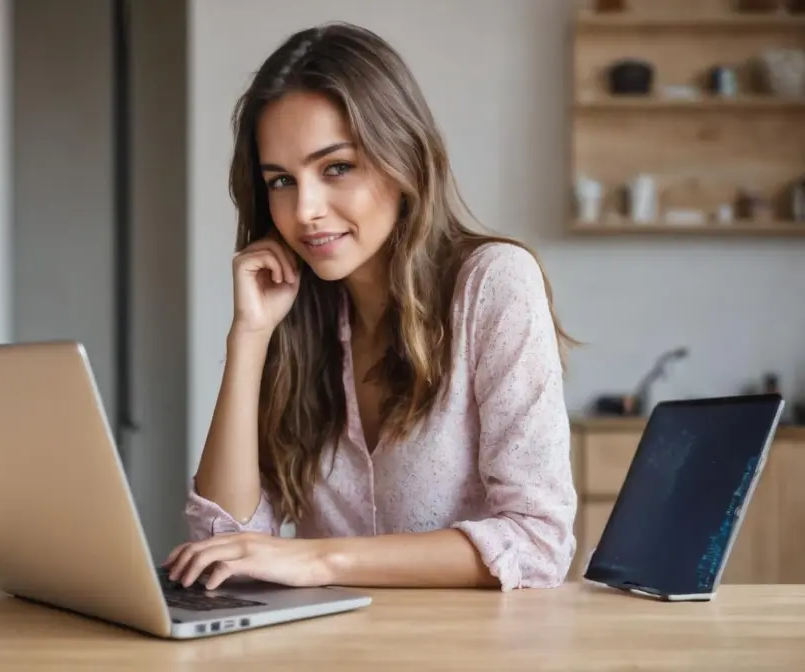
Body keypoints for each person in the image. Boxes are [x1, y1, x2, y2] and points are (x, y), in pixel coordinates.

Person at [164, 21, 578, 593]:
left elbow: (537, 544)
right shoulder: (297, 314)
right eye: (281, 180)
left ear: (402, 159)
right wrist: (249, 337)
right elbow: (225, 536)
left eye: (337, 167)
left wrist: (319, 561)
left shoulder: (494, 284)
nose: (305, 209)